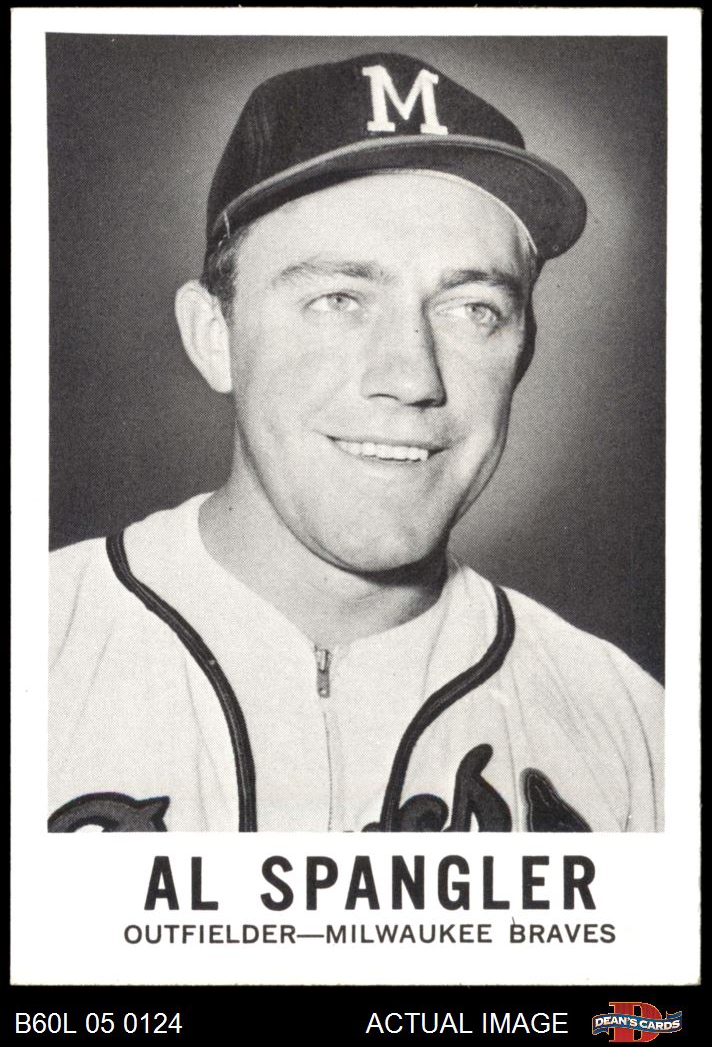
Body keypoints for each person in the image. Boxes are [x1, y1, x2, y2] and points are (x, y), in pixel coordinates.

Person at [48, 52, 663, 833]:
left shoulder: (637, 734)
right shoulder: (40, 645)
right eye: (338, 299)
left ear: (523, 350)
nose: (412, 377)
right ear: (214, 336)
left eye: (473, 309)